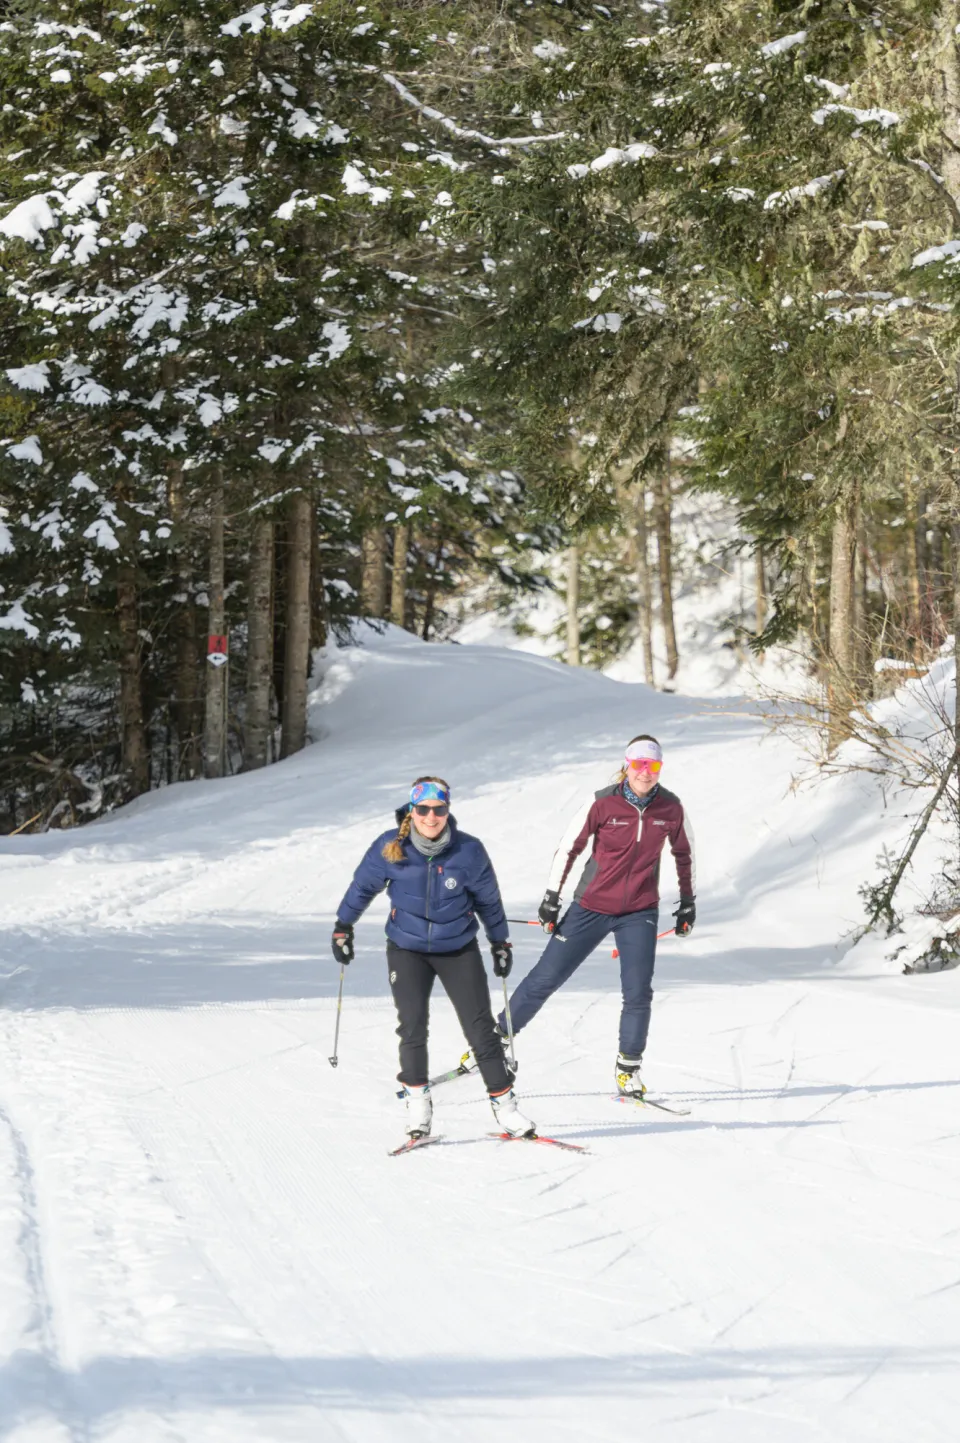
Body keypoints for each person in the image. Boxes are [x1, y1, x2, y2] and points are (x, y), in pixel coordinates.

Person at [331, 776, 536, 1140]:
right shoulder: (391, 847)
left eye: (438, 809)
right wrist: (343, 926)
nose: (431, 816)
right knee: (412, 1027)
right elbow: (363, 887)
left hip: (457, 947)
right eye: (423, 809)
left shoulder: (468, 852)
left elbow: (489, 901)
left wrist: (500, 943)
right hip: (406, 948)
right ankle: (418, 1107)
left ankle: (506, 1108)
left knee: (481, 1030)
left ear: (447, 811)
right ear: (412, 810)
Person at [497, 735, 695, 1099]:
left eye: (653, 766)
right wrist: (551, 898)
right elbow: (568, 848)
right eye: (639, 765)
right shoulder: (601, 803)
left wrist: (687, 902)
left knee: (638, 991)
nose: (645, 773)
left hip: (639, 911)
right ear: (627, 765)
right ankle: (497, 1040)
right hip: (590, 907)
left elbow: (685, 854)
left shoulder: (671, 809)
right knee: (546, 977)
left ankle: (628, 1069)